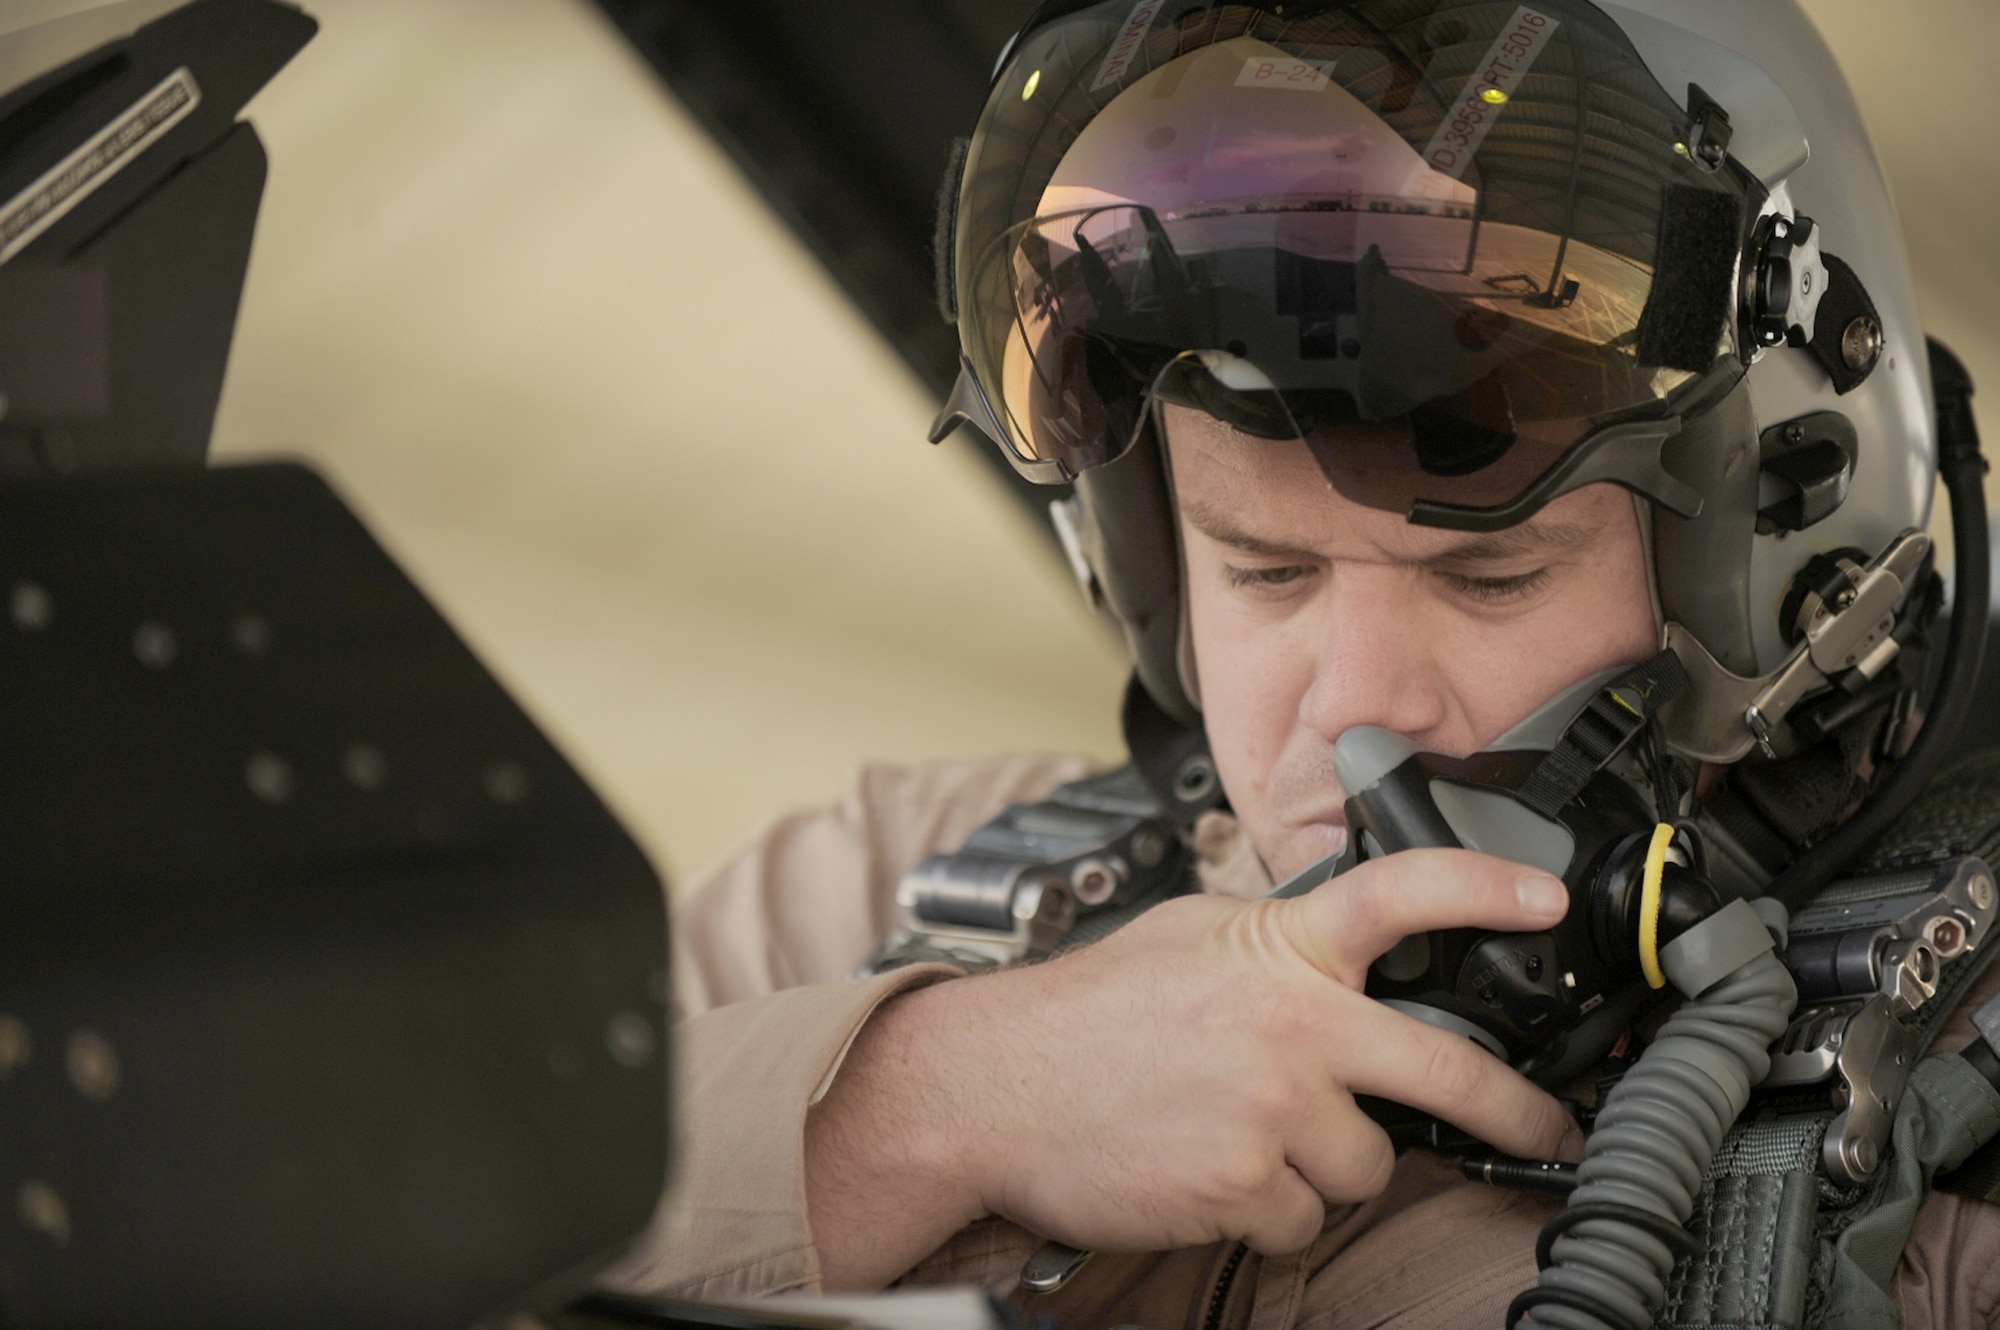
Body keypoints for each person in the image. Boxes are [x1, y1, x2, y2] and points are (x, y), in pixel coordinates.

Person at [607, 3, 2000, 1326]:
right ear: (1145, 572)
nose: (1352, 700)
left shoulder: (1963, 1138)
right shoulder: (899, 890)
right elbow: (417, 1172)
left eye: (1488, 573)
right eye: (1264, 571)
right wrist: (934, 1102)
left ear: (1784, 561)